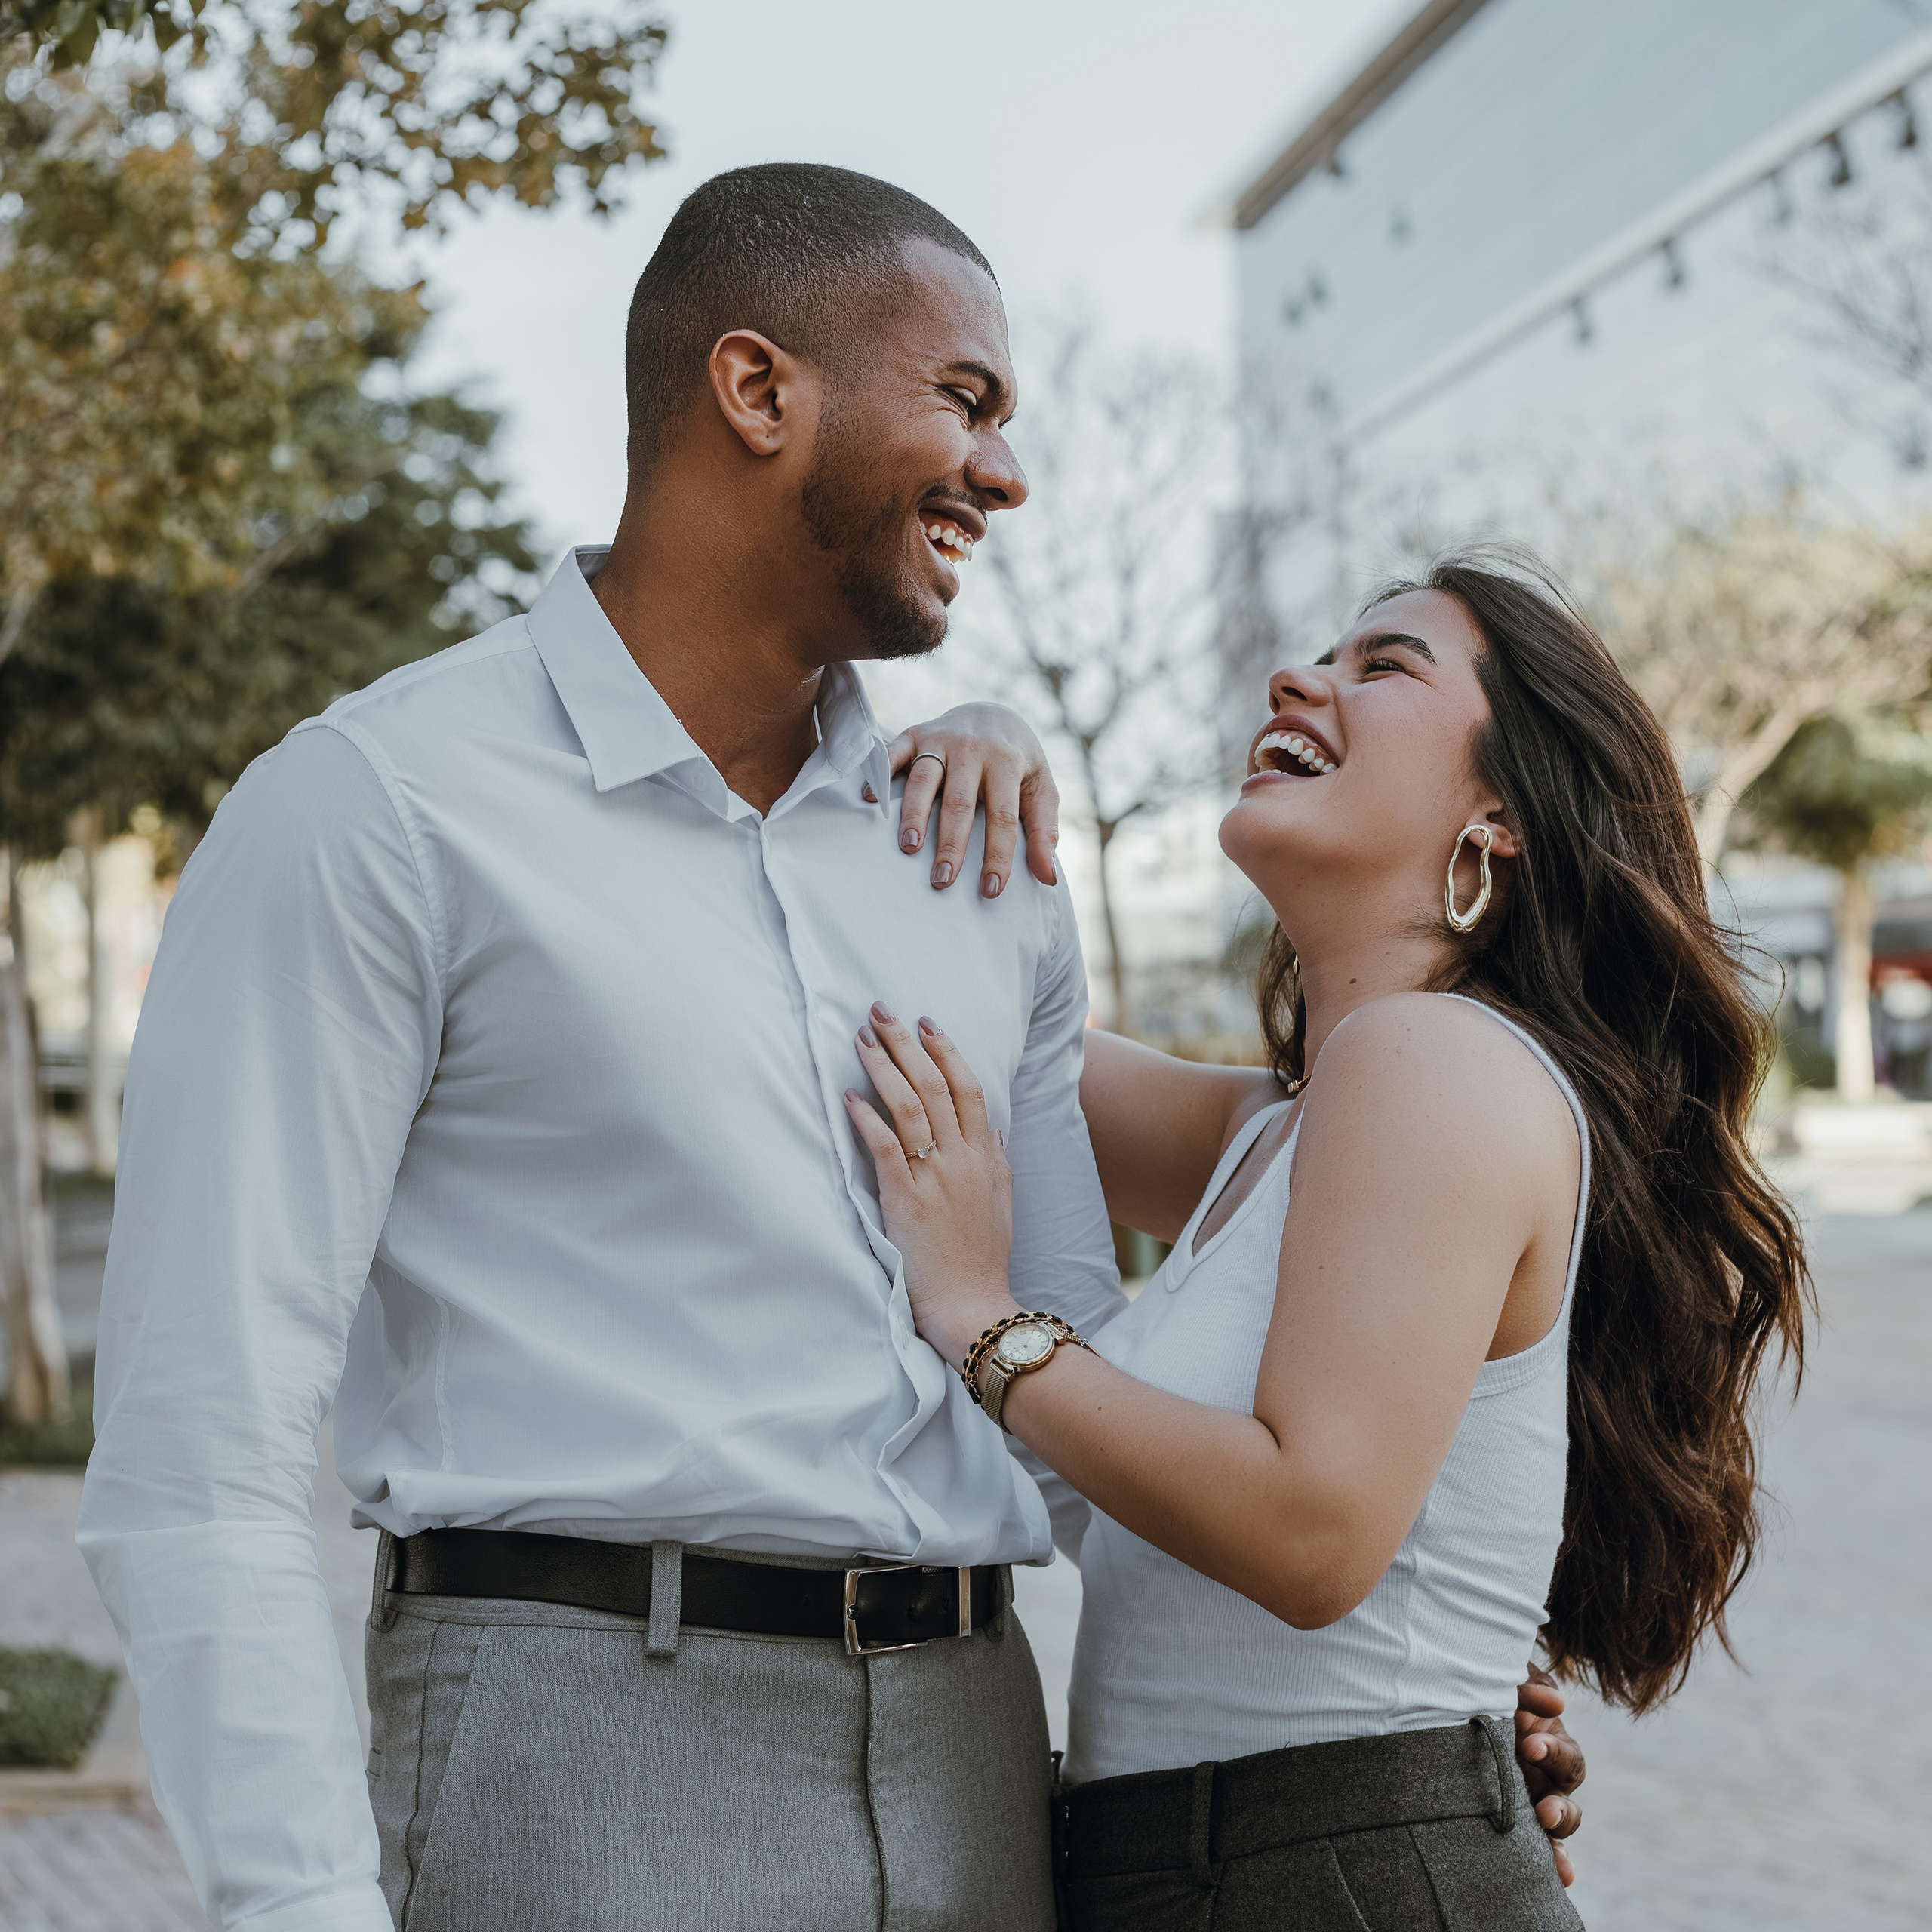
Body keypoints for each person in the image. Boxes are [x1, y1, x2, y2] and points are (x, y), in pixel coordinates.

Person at [77, 164, 1579, 1932]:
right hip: (586, 1747)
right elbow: (202, 1448)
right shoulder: (382, 808)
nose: (1005, 471)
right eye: (964, 399)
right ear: (756, 387)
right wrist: (295, 1905)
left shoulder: (977, 865)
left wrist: (1414, 1733)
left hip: (984, 1770)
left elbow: (1083, 1398)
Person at [857, 555, 1810, 1929]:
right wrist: (993, 743)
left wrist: (979, 1318)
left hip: (1312, 1864)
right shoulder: (1285, 1130)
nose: (1297, 679)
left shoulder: (1434, 1061)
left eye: (1387, 664)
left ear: (1504, 813)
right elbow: (981, 1043)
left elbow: (1314, 1537)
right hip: (1219, 1858)